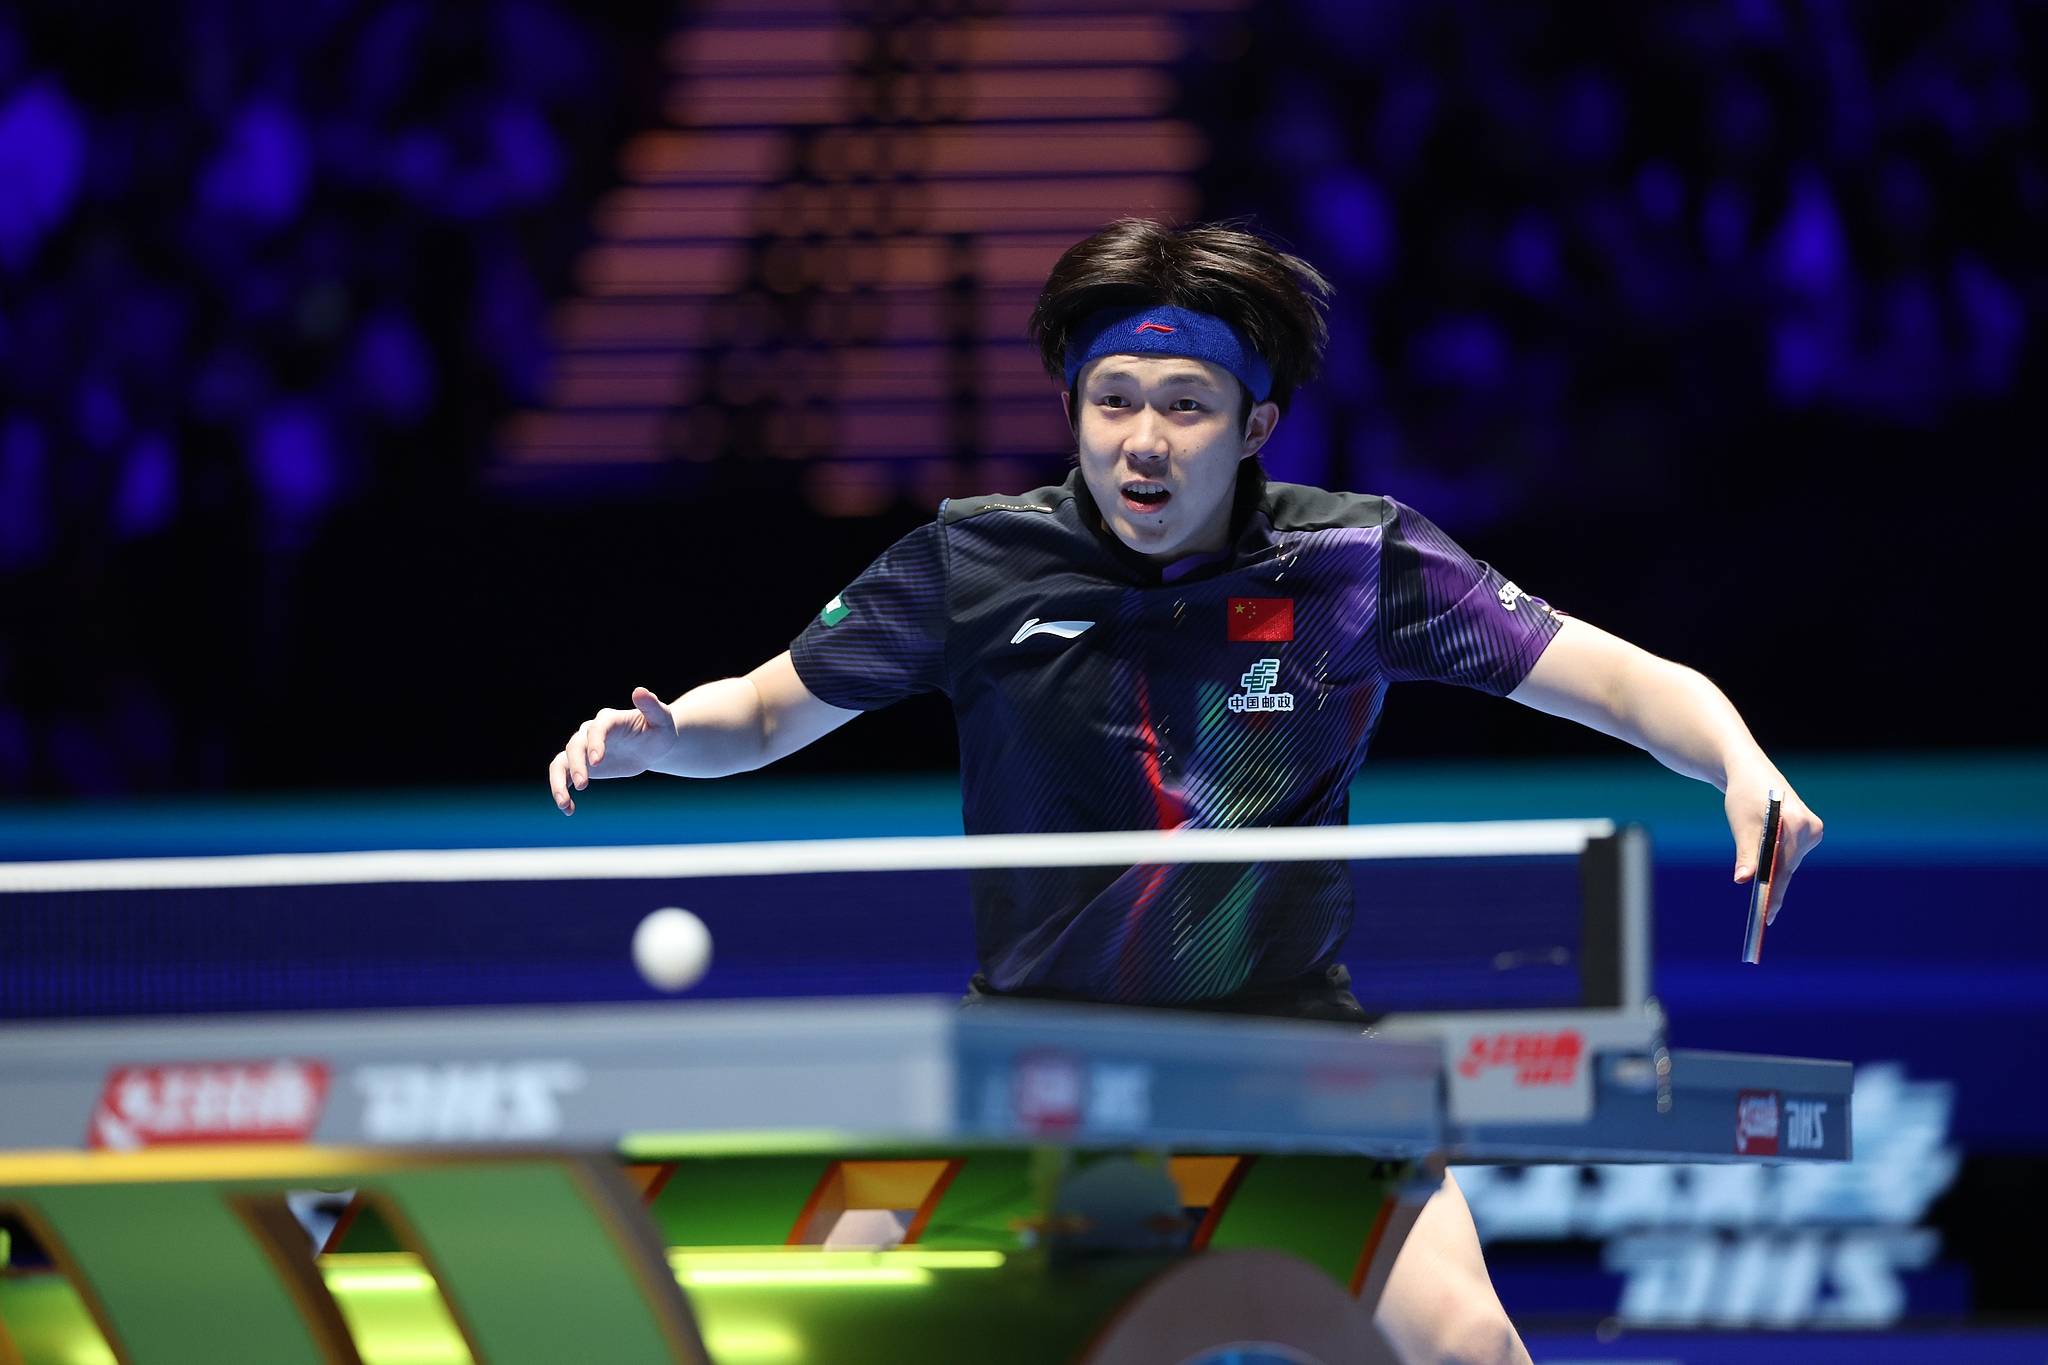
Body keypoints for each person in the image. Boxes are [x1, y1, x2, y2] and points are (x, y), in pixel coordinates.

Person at [546, 219, 1823, 1365]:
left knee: (1467, 1351)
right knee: (840, 1324)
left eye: (1183, 405)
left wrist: (1736, 759)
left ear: (1254, 424)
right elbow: (768, 707)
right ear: (1070, 404)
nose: (1140, 441)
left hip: (1289, 1054)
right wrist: (666, 739)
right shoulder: (975, 560)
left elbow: (1609, 680)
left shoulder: (1349, 562)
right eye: (1110, 401)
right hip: (1032, 1058)